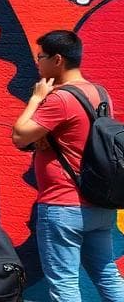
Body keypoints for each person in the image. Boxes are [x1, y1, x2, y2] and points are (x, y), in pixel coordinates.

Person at [12, 30, 124, 300]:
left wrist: (37, 98)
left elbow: (19, 136)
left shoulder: (59, 98)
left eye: (41, 57)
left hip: (63, 204)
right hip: (97, 203)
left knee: (64, 283)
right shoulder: (100, 93)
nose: (38, 63)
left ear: (57, 60)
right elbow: (78, 135)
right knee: (107, 273)